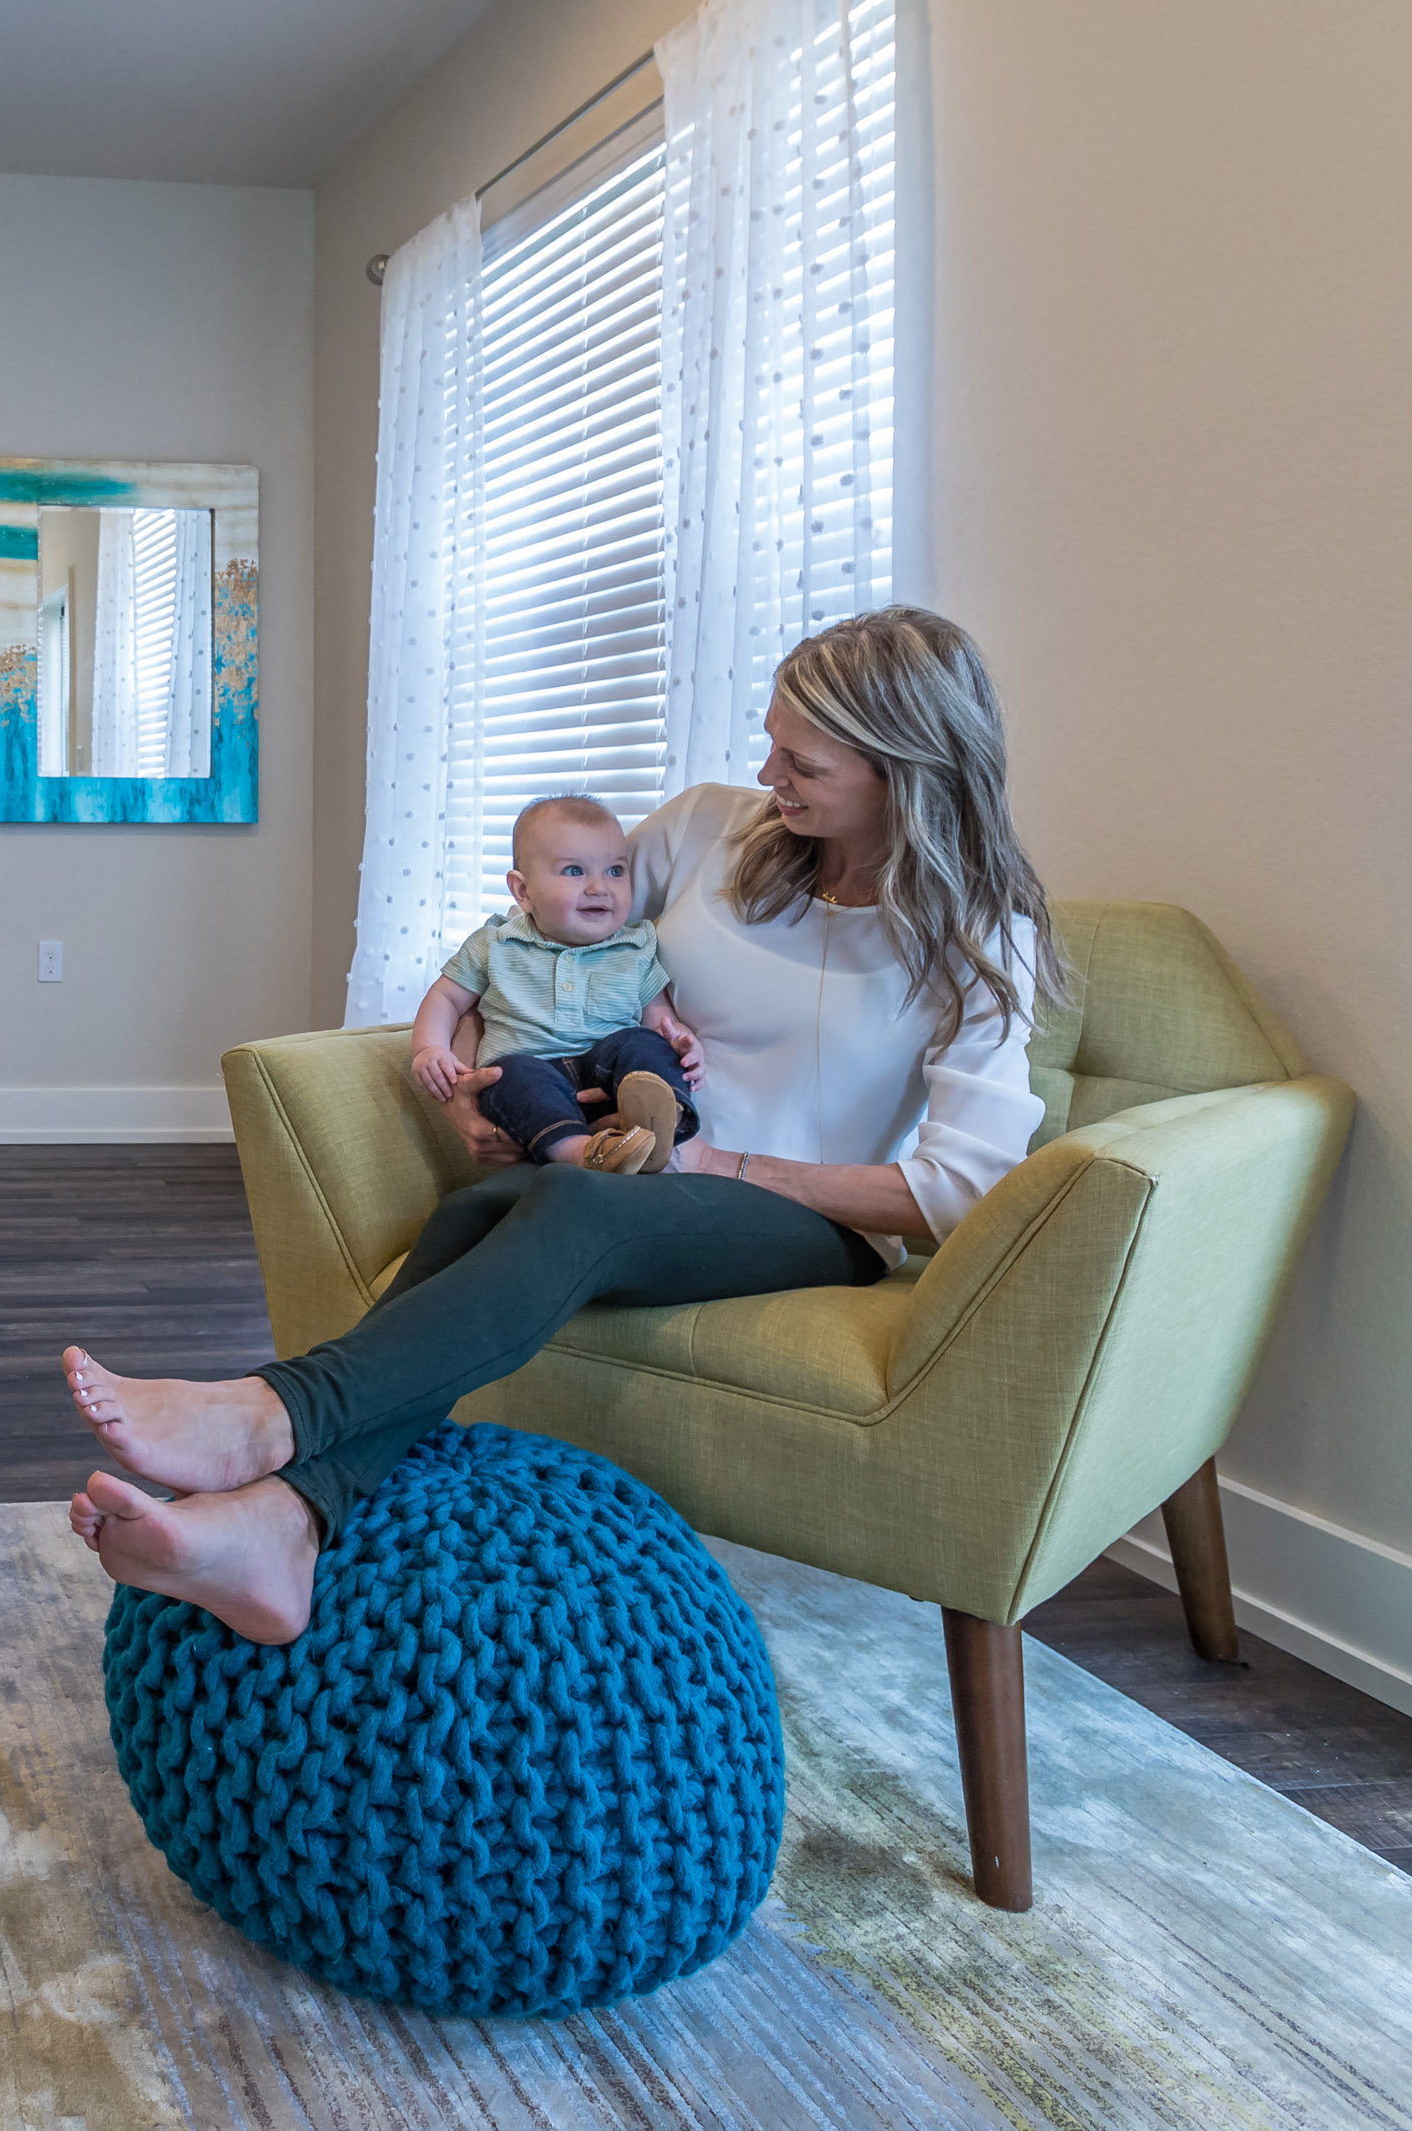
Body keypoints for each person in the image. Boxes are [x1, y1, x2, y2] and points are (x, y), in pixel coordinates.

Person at [60, 605, 1065, 1647]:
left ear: (903, 767)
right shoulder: (708, 832)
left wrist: (716, 1161)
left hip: (812, 1221)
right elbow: (537, 939)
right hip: (621, 1168)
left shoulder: (981, 933)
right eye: (771, 742)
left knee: (574, 1204)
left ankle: (274, 1415)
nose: (768, 773)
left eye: (801, 761)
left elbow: (963, 1191)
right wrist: (475, 1072)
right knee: (486, 1210)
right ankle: (283, 1522)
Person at [411, 794, 694, 1174]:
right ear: (523, 892)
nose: (599, 887)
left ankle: (662, 1120)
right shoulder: (496, 943)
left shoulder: (635, 947)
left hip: (608, 1082)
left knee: (644, 1044)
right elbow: (446, 998)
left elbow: (659, 1017)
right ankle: (582, 1151)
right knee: (508, 1075)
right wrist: (430, 1048)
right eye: (575, 871)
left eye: (615, 870)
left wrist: (681, 1043)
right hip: (531, 1080)